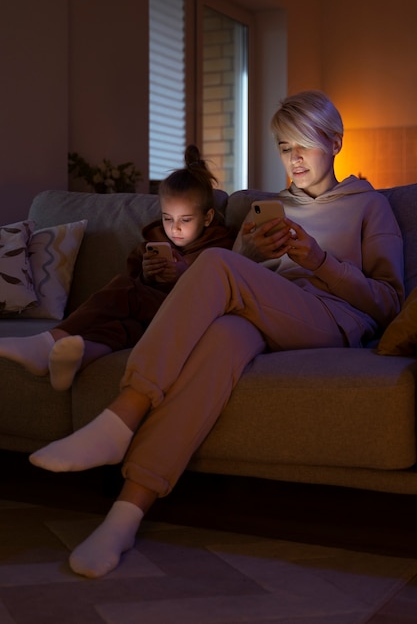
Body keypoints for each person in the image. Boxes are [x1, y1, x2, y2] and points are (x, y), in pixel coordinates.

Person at [28, 90, 404, 579]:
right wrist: (246, 253)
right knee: (221, 340)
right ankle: (126, 514)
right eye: (284, 147)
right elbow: (230, 284)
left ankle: (120, 418)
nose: (293, 158)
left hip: (331, 319)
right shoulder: (268, 208)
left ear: (333, 143)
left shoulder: (369, 206)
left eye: (303, 145)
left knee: (214, 262)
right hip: (262, 312)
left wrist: (318, 260)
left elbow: (389, 302)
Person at [0, 145, 235, 390]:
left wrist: (184, 273)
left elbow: (222, 286)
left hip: (191, 317)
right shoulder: (153, 242)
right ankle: (79, 358)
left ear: (207, 218)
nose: (175, 228)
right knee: (123, 328)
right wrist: (147, 273)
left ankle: (49, 340)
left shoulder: (221, 245)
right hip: (153, 319)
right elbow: (136, 276)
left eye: (185, 220)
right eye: (168, 218)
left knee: (124, 288)